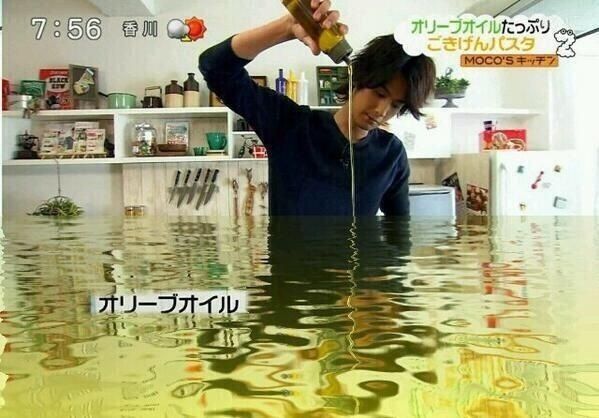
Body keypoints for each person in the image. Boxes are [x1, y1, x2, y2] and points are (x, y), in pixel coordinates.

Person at [199, 0, 436, 216]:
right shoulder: (289, 125)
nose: (382, 111)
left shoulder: (391, 154)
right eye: (379, 93)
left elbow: (398, 233)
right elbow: (215, 68)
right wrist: (287, 27)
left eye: (396, 104)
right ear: (358, 79)